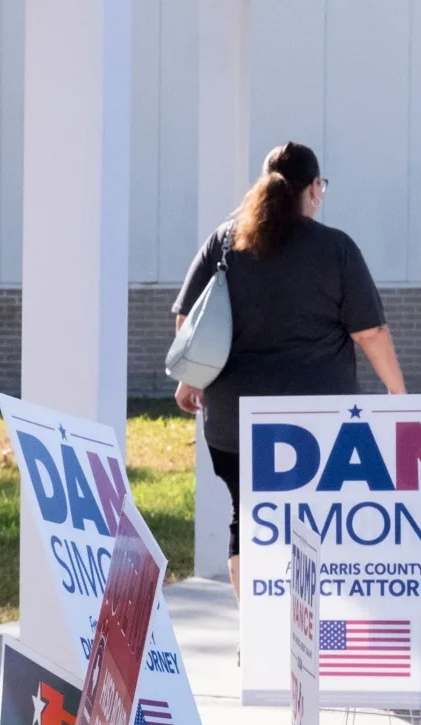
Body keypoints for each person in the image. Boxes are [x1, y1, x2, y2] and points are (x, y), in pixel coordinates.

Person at [171, 142, 407, 594]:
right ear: (314, 188)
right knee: (319, 519)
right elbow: (371, 333)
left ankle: (253, 624)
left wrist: (189, 380)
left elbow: (190, 321)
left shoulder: (225, 242)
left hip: (237, 420)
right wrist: (398, 394)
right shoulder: (336, 248)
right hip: (319, 426)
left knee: (247, 516)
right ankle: (308, 619)